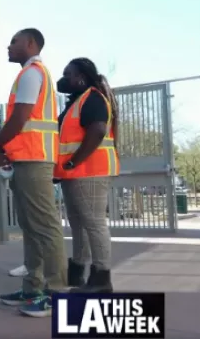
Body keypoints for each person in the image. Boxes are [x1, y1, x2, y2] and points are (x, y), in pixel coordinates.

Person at [0, 28, 67, 318]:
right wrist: (9, 151)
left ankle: (56, 293)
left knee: (44, 226)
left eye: (14, 42)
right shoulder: (28, 74)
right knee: (32, 227)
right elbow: (25, 124)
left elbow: (21, 117)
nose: (8, 47)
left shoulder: (33, 73)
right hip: (27, 159)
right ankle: (32, 288)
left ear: (31, 43)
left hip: (35, 160)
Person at [54, 57, 120, 293]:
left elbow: (98, 130)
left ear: (81, 77)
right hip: (75, 173)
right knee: (79, 224)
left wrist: (73, 161)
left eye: (68, 74)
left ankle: (102, 278)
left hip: (90, 172)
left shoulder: (91, 98)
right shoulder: (78, 101)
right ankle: (78, 269)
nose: (64, 79)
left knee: (93, 224)